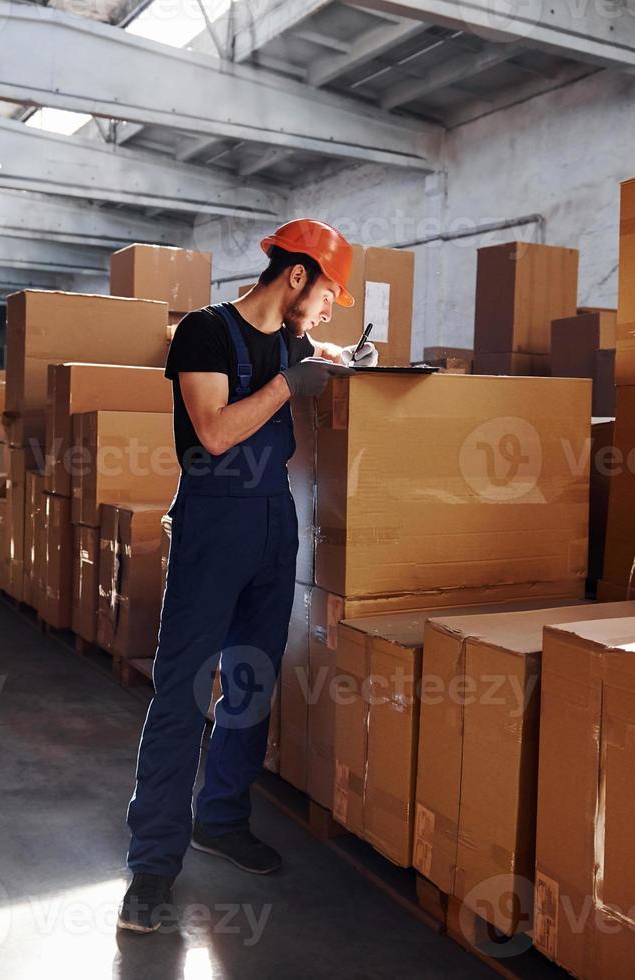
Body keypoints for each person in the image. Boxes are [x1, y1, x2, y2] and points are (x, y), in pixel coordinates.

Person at [117, 219, 376, 934]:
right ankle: (152, 867)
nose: (329, 307)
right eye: (328, 293)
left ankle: (222, 818)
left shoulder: (294, 340)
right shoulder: (203, 332)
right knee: (182, 690)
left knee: (252, 679)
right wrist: (292, 383)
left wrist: (342, 357)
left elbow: (314, 351)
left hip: (273, 522)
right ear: (296, 277)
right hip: (213, 524)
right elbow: (216, 431)